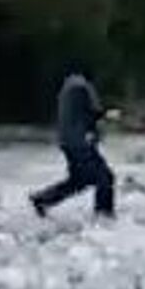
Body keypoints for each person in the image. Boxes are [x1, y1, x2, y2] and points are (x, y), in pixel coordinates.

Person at [31, 64, 115, 218]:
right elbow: (91, 113)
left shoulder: (69, 86)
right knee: (104, 177)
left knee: (80, 180)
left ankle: (43, 199)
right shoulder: (81, 87)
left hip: (69, 141)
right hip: (80, 143)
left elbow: (79, 114)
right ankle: (104, 215)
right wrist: (108, 114)